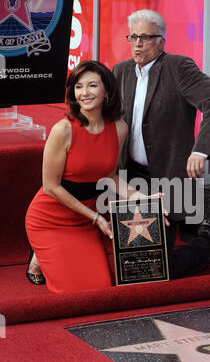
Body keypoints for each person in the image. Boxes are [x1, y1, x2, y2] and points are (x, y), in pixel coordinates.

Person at [113, 9, 210, 279]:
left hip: (167, 180)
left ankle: (207, 242)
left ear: (162, 40)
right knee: (135, 265)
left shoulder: (178, 67)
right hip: (133, 181)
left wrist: (201, 149)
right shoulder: (121, 71)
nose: (137, 43)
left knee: (157, 267)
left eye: (145, 37)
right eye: (133, 36)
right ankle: (199, 235)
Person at [25, 60, 150, 293]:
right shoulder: (62, 130)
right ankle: (38, 256)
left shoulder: (119, 128)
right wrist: (95, 217)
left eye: (92, 86)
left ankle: (40, 258)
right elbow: (51, 187)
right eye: (78, 87)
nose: (84, 93)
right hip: (50, 218)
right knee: (75, 291)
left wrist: (145, 199)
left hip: (84, 220)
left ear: (107, 91)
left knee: (99, 287)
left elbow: (110, 176)